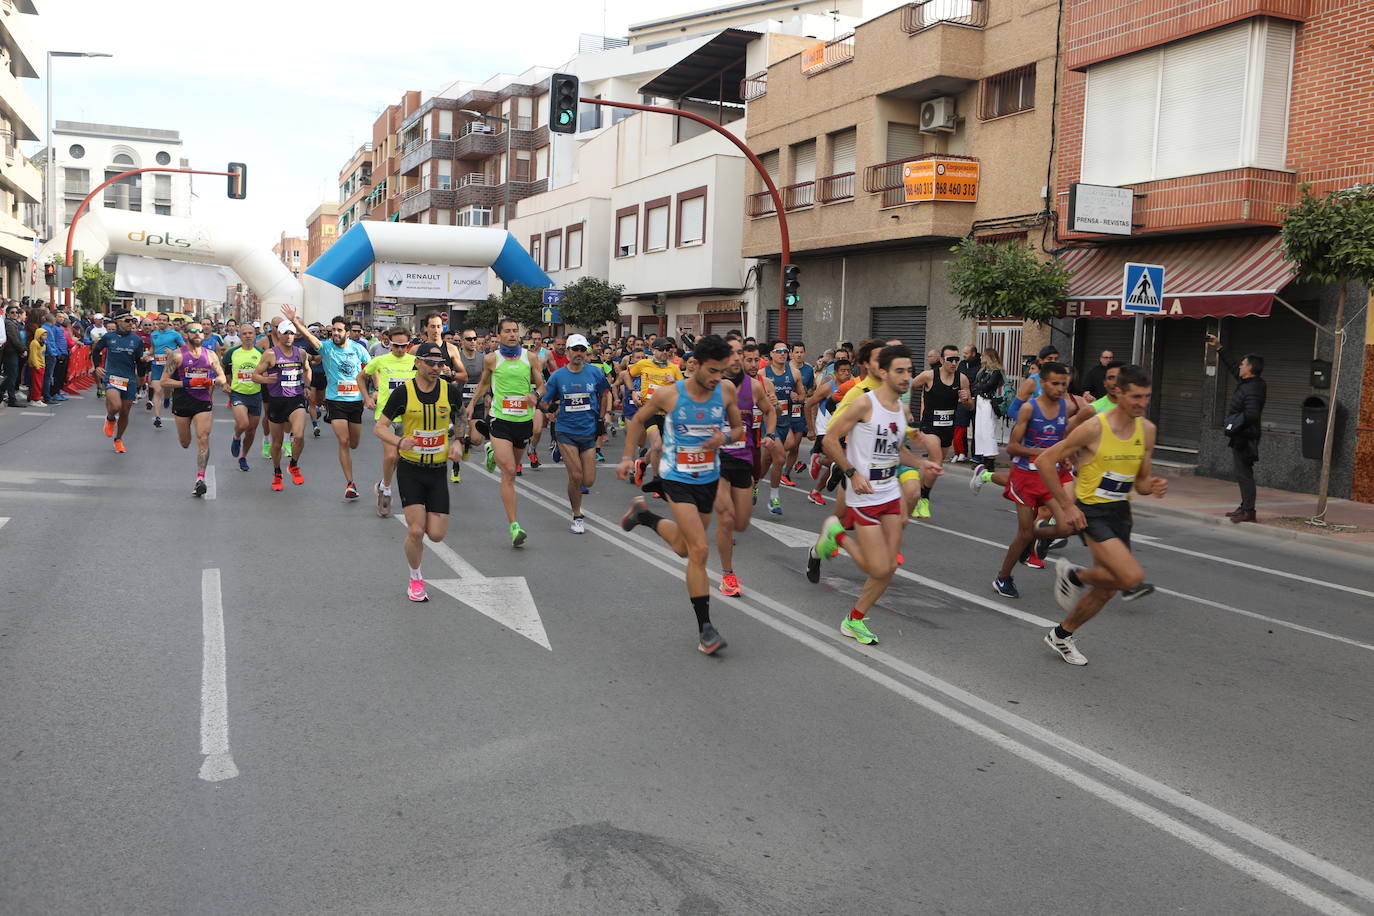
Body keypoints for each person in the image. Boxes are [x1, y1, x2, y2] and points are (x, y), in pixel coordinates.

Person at [617, 334, 744, 655]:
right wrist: (628, 457)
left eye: (723, 371)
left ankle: (643, 515)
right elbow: (637, 422)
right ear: (695, 365)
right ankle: (706, 629)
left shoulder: (726, 390)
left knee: (684, 549)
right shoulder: (669, 395)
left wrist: (724, 437)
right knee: (700, 550)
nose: (718, 378)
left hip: (709, 478)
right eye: (713, 371)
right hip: (676, 478)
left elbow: (739, 429)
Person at [1034, 365, 1167, 666]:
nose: (1141, 403)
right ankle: (1075, 575)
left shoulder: (1147, 430)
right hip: (1091, 511)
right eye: (1135, 397)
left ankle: (1061, 635)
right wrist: (1068, 507)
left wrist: (1154, 485)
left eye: (1146, 397)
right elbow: (1045, 461)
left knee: (1108, 588)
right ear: (1118, 393)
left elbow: (1142, 483)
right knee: (1131, 576)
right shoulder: (1095, 427)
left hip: (1120, 511)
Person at [807, 345, 940, 646]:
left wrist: (921, 463)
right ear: (883, 372)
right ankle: (837, 533)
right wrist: (851, 472)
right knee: (877, 567)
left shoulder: (900, 409)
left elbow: (897, 451)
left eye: (909, 370)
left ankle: (853, 620)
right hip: (864, 495)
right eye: (900, 371)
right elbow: (829, 439)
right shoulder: (864, 404)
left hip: (889, 492)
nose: (907, 377)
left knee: (889, 566)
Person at [374, 342, 465, 602]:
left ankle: (420, 538)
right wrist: (400, 442)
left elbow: (461, 416)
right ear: (418, 364)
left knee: (435, 534)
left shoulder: (449, 391)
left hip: (437, 470)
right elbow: (380, 427)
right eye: (431, 363)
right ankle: (415, 578)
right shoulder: (404, 393)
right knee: (415, 530)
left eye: (440, 364)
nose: (437, 368)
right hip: (411, 469)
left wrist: (458, 440)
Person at [989, 362, 1078, 598]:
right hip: (1025, 477)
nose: (1060, 388)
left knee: (1066, 527)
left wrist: (1066, 457)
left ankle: (1035, 534)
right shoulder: (1029, 408)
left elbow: (1062, 438)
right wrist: (1044, 454)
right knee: (1024, 533)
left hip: (1049, 476)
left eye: (1064, 384)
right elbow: (1013, 447)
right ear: (1043, 383)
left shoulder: (1065, 407)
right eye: (1055, 383)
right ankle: (1003, 578)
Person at [467, 317, 543, 547]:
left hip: (523, 421)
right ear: (498, 335)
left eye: (515, 331)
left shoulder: (530, 358)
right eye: (507, 331)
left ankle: (492, 453)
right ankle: (514, 526)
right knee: (509, 472)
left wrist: (536, 396)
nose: (512, 335)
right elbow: (483, 384)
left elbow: (541, 385)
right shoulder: (492, 359)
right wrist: (472, 404)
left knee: (514, 467)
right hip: (500, 419)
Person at [715, 339, 779, 596]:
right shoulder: (711, 384)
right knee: (727, 518)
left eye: (739, 353)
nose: (735, 357)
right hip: (716, 459)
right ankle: (728, 575)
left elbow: (770, 411)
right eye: (730, 353)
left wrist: (771, 434)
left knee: (740, 520)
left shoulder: (753, 386)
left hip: (742, 458)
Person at [290, 309, 375, 499]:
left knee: (354, 443)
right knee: (343, 441)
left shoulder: (358, 348)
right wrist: (295, 322)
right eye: (333, 331)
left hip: (356, 401)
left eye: (339, 330)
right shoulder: (327, 347)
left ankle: (350, 480)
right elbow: (311, 338)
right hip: (335, 401)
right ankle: (350, 484)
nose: (335, 333)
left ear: (346, 332)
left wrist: (373, 391)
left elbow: (371, 369)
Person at [539, 334, 612, 533]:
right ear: (568, 351)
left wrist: (601, 419)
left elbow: (605, 395)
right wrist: (552, 408)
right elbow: (544, 403)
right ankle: (577, 515)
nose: (579, 353)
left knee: (588, 480)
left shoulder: (595, 373)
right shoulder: (558, 376)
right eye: (575, 350)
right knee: (577, 475)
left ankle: (560, 454)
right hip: (566, 431)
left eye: (582, 350)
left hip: (588, 431)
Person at [161, 321, 230, 496]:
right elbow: (164, 382)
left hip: (203, 401)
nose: (198, 334)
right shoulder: (177, 356)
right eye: (194, 331)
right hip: (183, 401)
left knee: (203, 438)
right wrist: (187, 383)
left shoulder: (211, 355)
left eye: (200, 331)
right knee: (185, 443)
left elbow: (222, 378)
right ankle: (198, 473)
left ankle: (200, 478)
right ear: (186, 335)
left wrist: (211, 381)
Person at [1207, 333, 1266, 523]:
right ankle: (1245, 507)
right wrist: (1219, 347)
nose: (1239, 366)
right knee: (1242, 473)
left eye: (1243, 363)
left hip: (1246, 436)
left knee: (1244, 473)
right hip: (1241, 434)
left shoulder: (1255, 387)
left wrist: (1233, 422)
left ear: (1250, 368)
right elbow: (1232, 366)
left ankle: (1248, 511)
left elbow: (1252, 414)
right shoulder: (1247, 382)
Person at [363, 326, 418, 516]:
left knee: (402, 457)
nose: (400, 349)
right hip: (386, 416)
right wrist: (367, 398)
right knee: (390, 456)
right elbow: (360, 377)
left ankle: (380, 484)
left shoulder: (415, 362)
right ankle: (386, 489)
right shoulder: (380, 360)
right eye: (396, 345)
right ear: (390, 343)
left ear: (409, 344)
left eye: (404, 346)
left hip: (409, 416)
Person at [911, 344, 970, 518]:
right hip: (929, 426)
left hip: (947, 427)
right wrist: (903, 409)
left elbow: (970, 404)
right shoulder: (928, 376)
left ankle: (917, 496)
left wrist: (967, 401)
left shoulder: (962, 379)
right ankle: (925, 499)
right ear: (942, 360)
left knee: (934, 464)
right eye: (950, 359)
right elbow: (906, 388)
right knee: (936, 460)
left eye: (957, 359)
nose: (954, 363)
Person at [252, 319, 312, 491]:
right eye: (285, 333)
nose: (289, 336)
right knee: (277, 442)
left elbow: (307, 369)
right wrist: (266, 379)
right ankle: (277, 472)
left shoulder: (300, 353)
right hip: (276, 401)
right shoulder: (271, 354)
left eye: (291, 333)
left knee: (299, 435)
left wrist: (306, 386)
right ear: (278, 334)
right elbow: (255, 375)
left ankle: (293, 464)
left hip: (296, 399)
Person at [628, 338, 684, 491]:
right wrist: (633, 392)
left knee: (661, 447)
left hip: (667, 413)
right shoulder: (643, 364)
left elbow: (684, 391)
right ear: (653, 351)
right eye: (662, 349)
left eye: (668, 349)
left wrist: (674, 383)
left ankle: (642, 463)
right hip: (649, 410)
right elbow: (626, 374)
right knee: (657, 445)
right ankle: (657, 481)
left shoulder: (674, 368)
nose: (666, 352)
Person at [757, 339, 805, 515]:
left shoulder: (794, 373)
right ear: (771, 354)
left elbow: (802, 394)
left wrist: (797, 397)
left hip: (785, 420)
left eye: (785, 351)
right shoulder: (762, 373)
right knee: (779, 458)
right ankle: (774, 498)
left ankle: (754, 484)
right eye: (779, 351)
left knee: (768, 459)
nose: (782, 354)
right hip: (769, 421)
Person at [89, 314, 145, 452]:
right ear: (118, 322)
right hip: (112, 376)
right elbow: (95, 351)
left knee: (125, 412)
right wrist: (97, 367)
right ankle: (110, 418)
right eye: (127, 321)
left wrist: (141, 377)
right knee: (115, 406)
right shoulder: (109, 337)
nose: (130, 323)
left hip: (129, 379)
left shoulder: (137, 340)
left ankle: (118, 439)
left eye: (132, 321)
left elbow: (139, 360)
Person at [222, 328, 264, 472]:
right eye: (244, 333)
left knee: (251, 431)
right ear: (240, 336)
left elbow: (268, 370)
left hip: (256, 394)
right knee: (243, 424)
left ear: (255, 335)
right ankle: (236, 436)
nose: (247, 336)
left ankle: (243, 456)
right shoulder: (232, 352)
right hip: (238, 393)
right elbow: (223, 367)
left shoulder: (261, 353)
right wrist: (225, 383)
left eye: (250, 333)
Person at [969, 346, 1005, 468]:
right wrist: (979, 386)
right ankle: (983, 458)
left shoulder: (996, 372)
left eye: (983, 355)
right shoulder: (983, 371)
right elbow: (975, 385)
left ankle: (990, 461)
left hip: (988, 402)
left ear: (989, 357)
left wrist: (979, 386)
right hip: (980, 401)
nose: (980, 357)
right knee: (979, 431)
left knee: (988, 431)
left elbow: (987, 386)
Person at [147, 313, 184, 426]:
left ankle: (167, 397)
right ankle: (157, 417)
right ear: (157, 321)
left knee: (167, 388)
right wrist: (146, 354)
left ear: (168, 322)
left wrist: (173, 353)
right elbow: (153, 349)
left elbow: (185, 349)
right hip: (157, 365)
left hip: (170, 366)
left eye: (164, 320)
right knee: (157, 390)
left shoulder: (175, 334)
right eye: (160, 320)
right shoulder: (153, 334)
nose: (161, 322)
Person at [2, 303, 27, 407]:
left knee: (10, 376)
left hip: (13, 352)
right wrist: (22, 350)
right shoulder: (9, 323)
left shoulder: (14, 323)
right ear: (7, 314)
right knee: (11, 377)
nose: (15, 314)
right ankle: (12, 399)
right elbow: (14, 339)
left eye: (17, 312)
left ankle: (6, 396)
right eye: (12, 312)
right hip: (10, 353)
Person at [25, 307, 47, 406]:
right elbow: (33, 355)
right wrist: (37, 364)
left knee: (38, 382)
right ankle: (34, 398)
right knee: (35, 381)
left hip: (40, 362)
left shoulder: (37, 327)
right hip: (35, 362)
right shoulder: (34, 339)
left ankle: (35, 397)